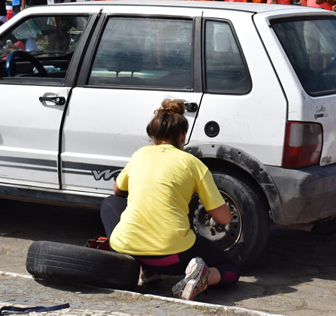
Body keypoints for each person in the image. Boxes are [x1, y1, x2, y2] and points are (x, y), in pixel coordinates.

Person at [100, 99, 239, 301]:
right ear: (183, 135)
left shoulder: (139, 155)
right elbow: (224, 219)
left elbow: (117, 190)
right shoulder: (193, 164)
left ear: (153, 137)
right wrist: (205, 199)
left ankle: (146, 270)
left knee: (110, 203)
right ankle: (203, 277)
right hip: (173, 259)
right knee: (231, 269)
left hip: (128, 250)